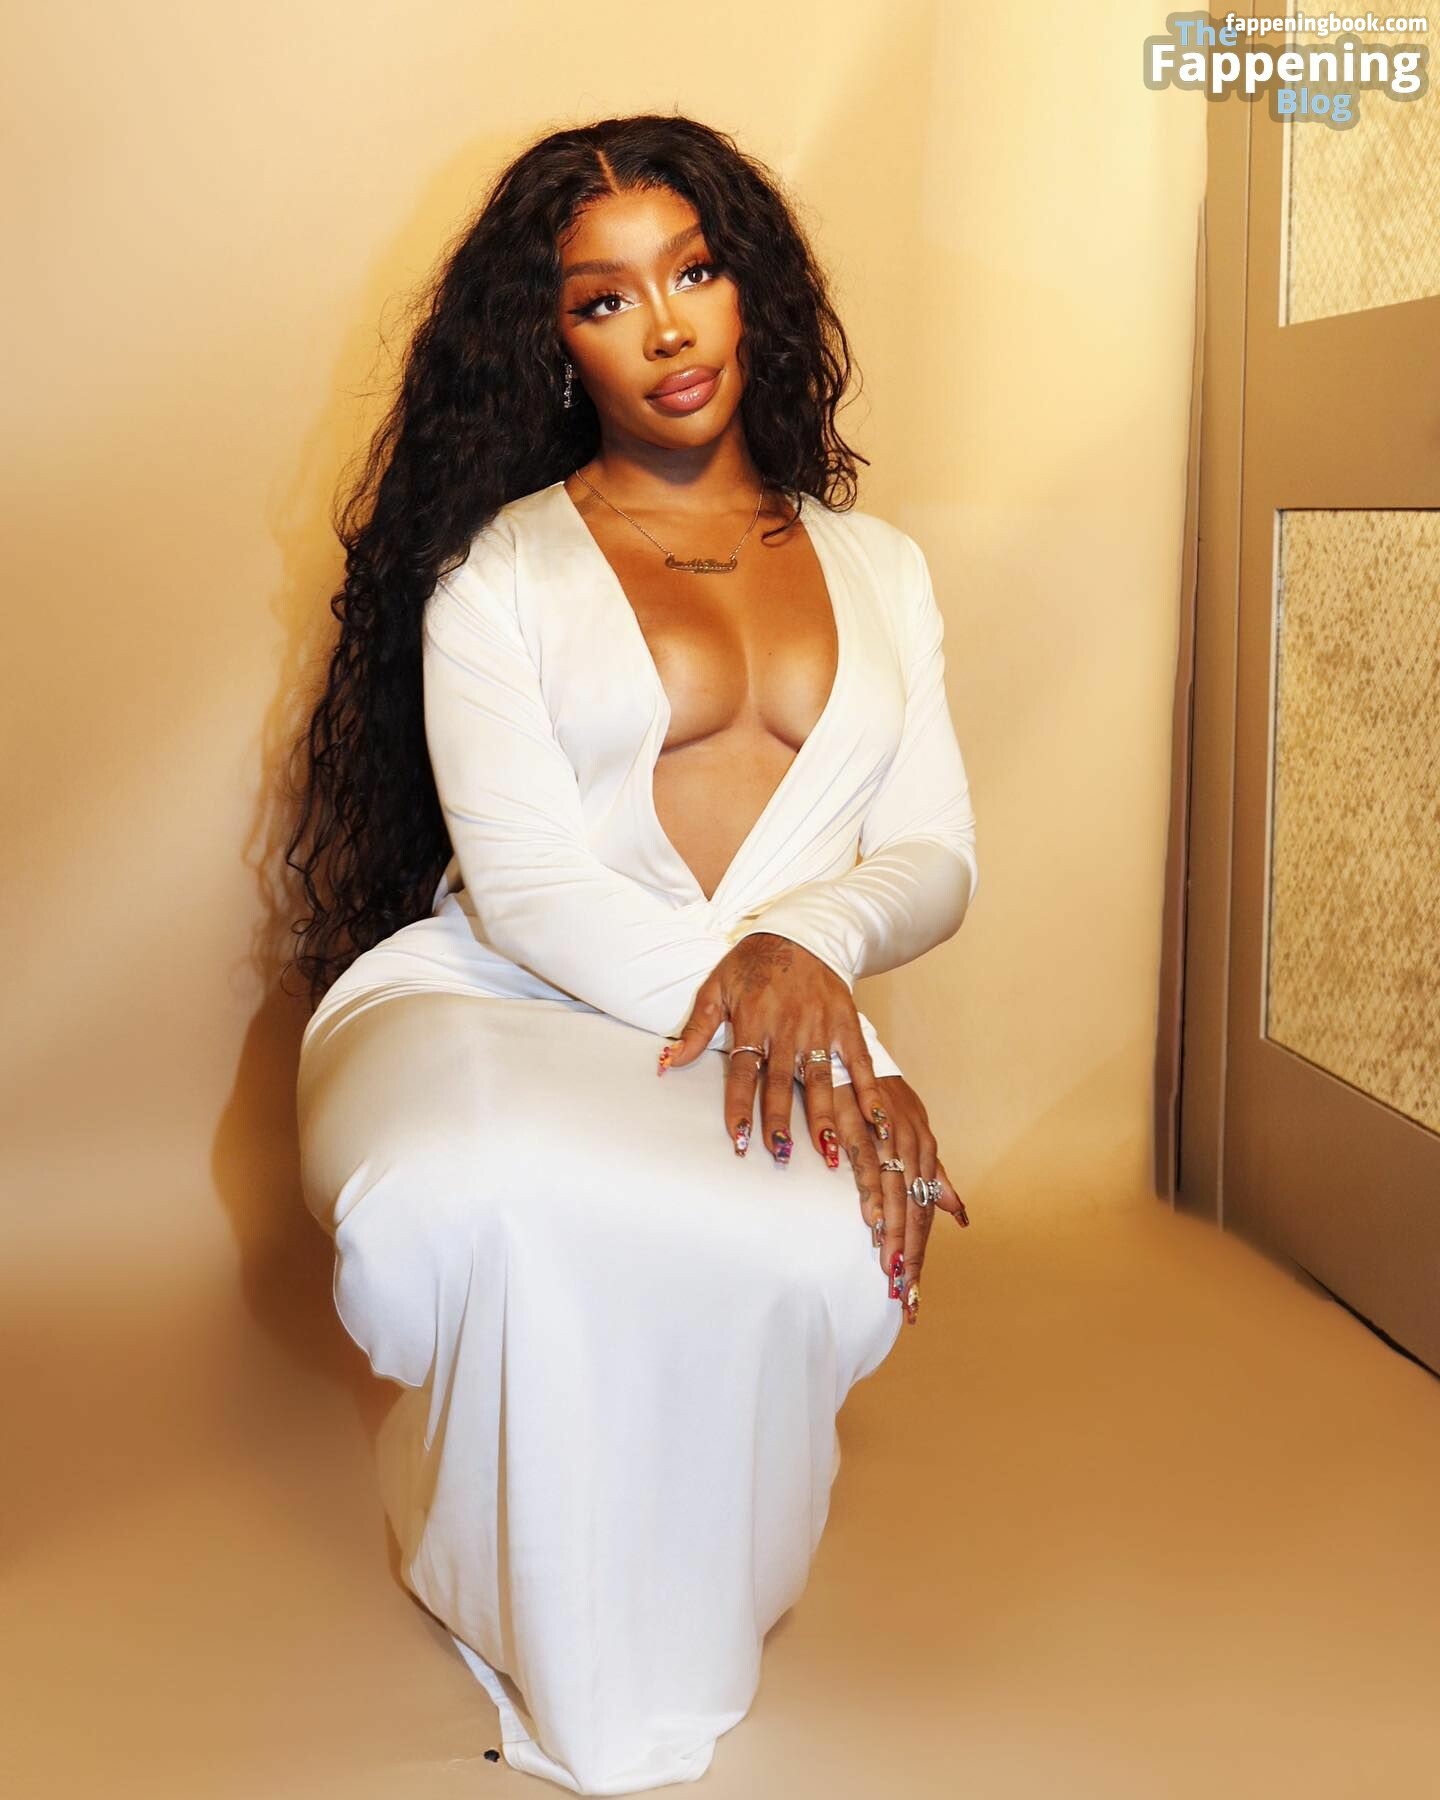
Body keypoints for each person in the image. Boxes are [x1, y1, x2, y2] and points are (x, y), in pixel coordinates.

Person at [286, 112, 980, 1795]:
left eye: (696, 271)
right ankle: (501, 1572)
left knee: (809, 1253)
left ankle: (660, 1619)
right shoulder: (495, 575)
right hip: (504, 998)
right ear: (549, 341)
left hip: (772, 1007)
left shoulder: (882, 569)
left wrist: (811, 959)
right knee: (489, 1197)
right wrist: (811, 1039)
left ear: (754, 291)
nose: (666, 329)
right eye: (604, 299)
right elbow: (527, 890)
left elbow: (935, 855)